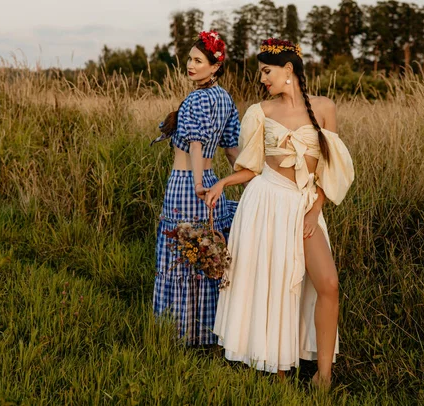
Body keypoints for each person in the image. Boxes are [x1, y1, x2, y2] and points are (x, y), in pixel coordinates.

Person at [208, 38, 354, 387]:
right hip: (266, 202)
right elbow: (251, 167)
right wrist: (223, 183)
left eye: (267, 71)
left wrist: (315, 209)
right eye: (261, 73)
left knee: (328, 284)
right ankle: (277, 367)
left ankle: (323, 376)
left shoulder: (324, 108)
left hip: (304, 203)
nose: (262, 79)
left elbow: (329, 169)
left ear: (289, 69)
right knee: (275, 285)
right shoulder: (261, 112)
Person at [152, 31, 240, 346]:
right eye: (190, 59)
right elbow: (231, 149)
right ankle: (207, 334)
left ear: (215, 66)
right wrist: (247, 179)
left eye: (198, 60)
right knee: (206, 255)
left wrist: (198, 183)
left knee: (182, 254)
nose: (190, 65)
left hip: (187, 185)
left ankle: (177, 335)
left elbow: (196, 141)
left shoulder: (196, 99)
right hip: (214, 185)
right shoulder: (225, 98)